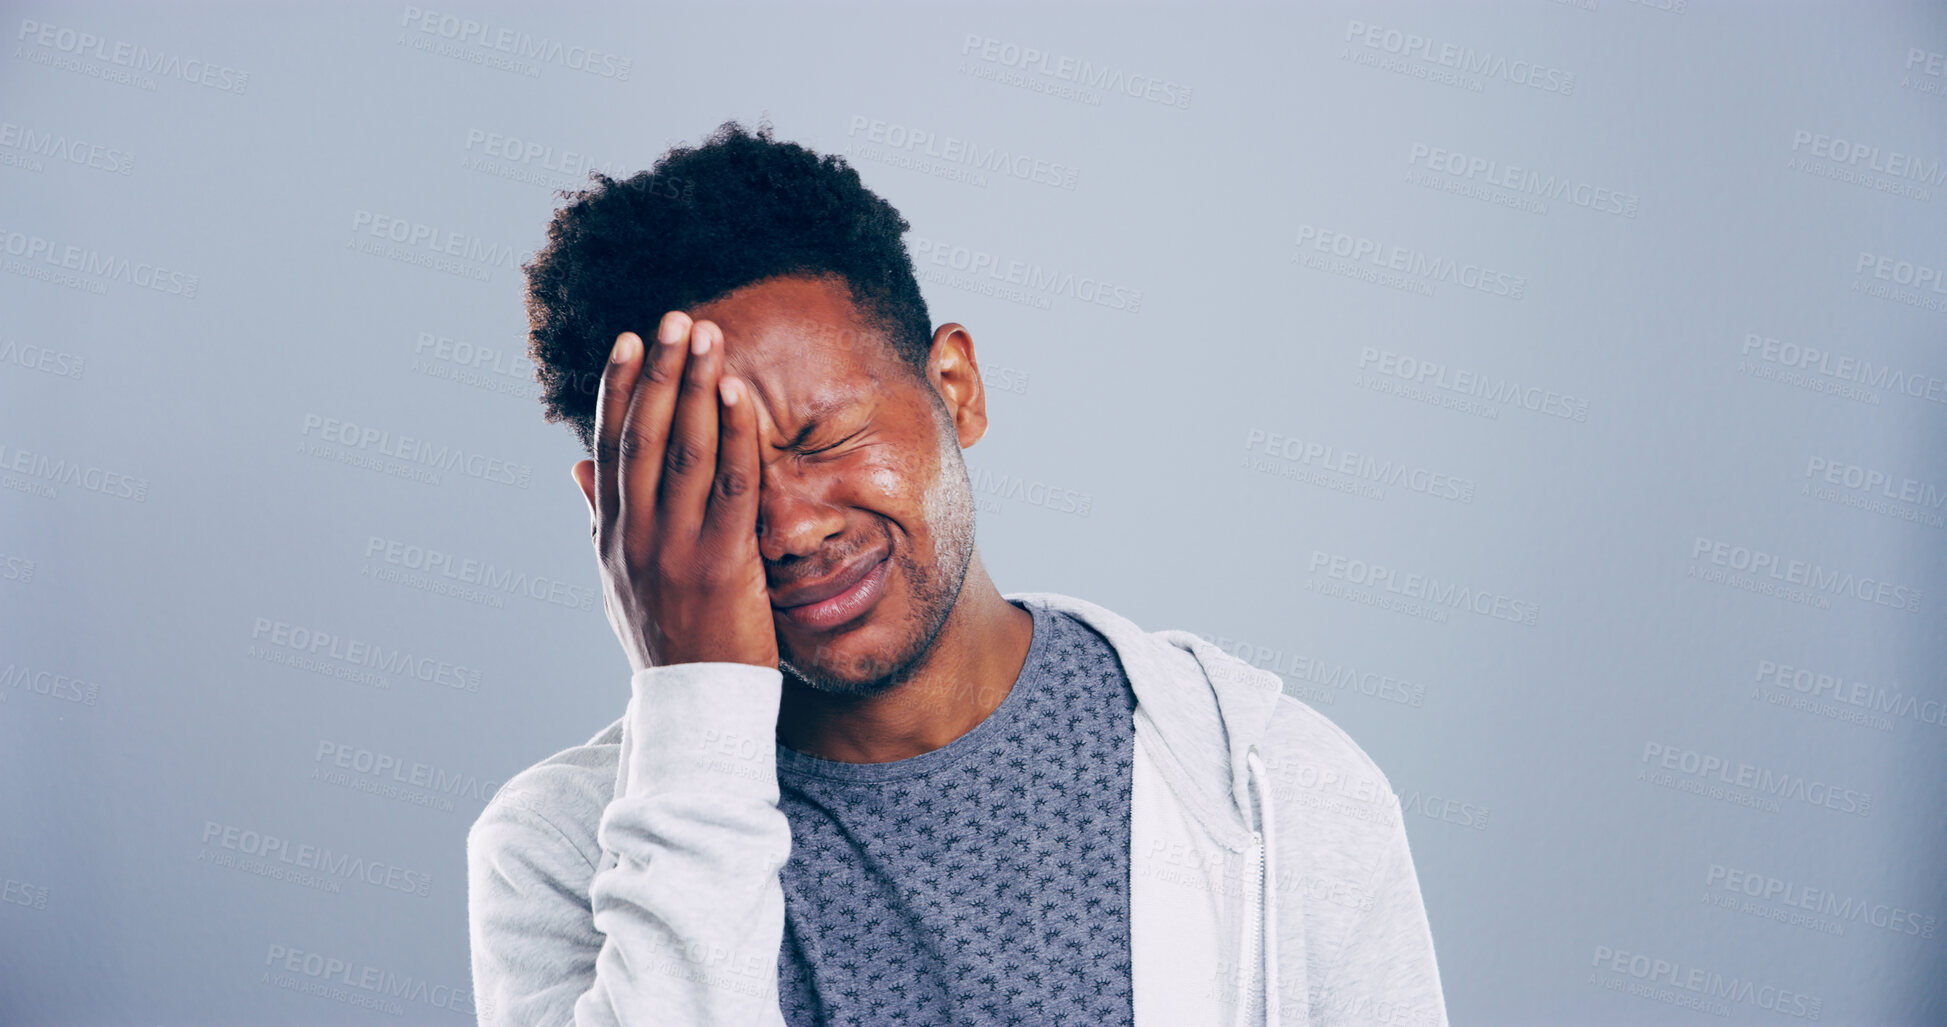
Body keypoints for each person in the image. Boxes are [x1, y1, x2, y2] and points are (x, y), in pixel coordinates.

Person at [466, 119, 1448, 1027]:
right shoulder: (554, 852)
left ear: (956, 388)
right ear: (615, 518)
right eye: (714, 481)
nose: (793, 526)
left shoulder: (1278, 787)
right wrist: (695, 700)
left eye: (826, 437)